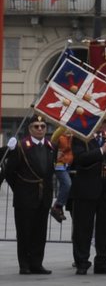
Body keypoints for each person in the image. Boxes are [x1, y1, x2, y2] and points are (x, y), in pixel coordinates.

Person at [69, 125, 106, 275]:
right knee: (83, 228)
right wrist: (101, 150)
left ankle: (102, 262)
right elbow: (80, 159)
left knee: (105, 229)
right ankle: (82, 262)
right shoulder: (81, 135)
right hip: (86, 190)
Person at [6, 116, 56, 274]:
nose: (40, 129)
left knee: (40, 233)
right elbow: (9, 173)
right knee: (24, 232)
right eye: (36, 126)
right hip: (25, 196)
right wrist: (20, 188)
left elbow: (50, 172)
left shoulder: (50, 146)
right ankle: (25, 264)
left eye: (42, 126)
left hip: (44, 197)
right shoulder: (21, 147)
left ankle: (37, 263)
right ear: (29, 129)